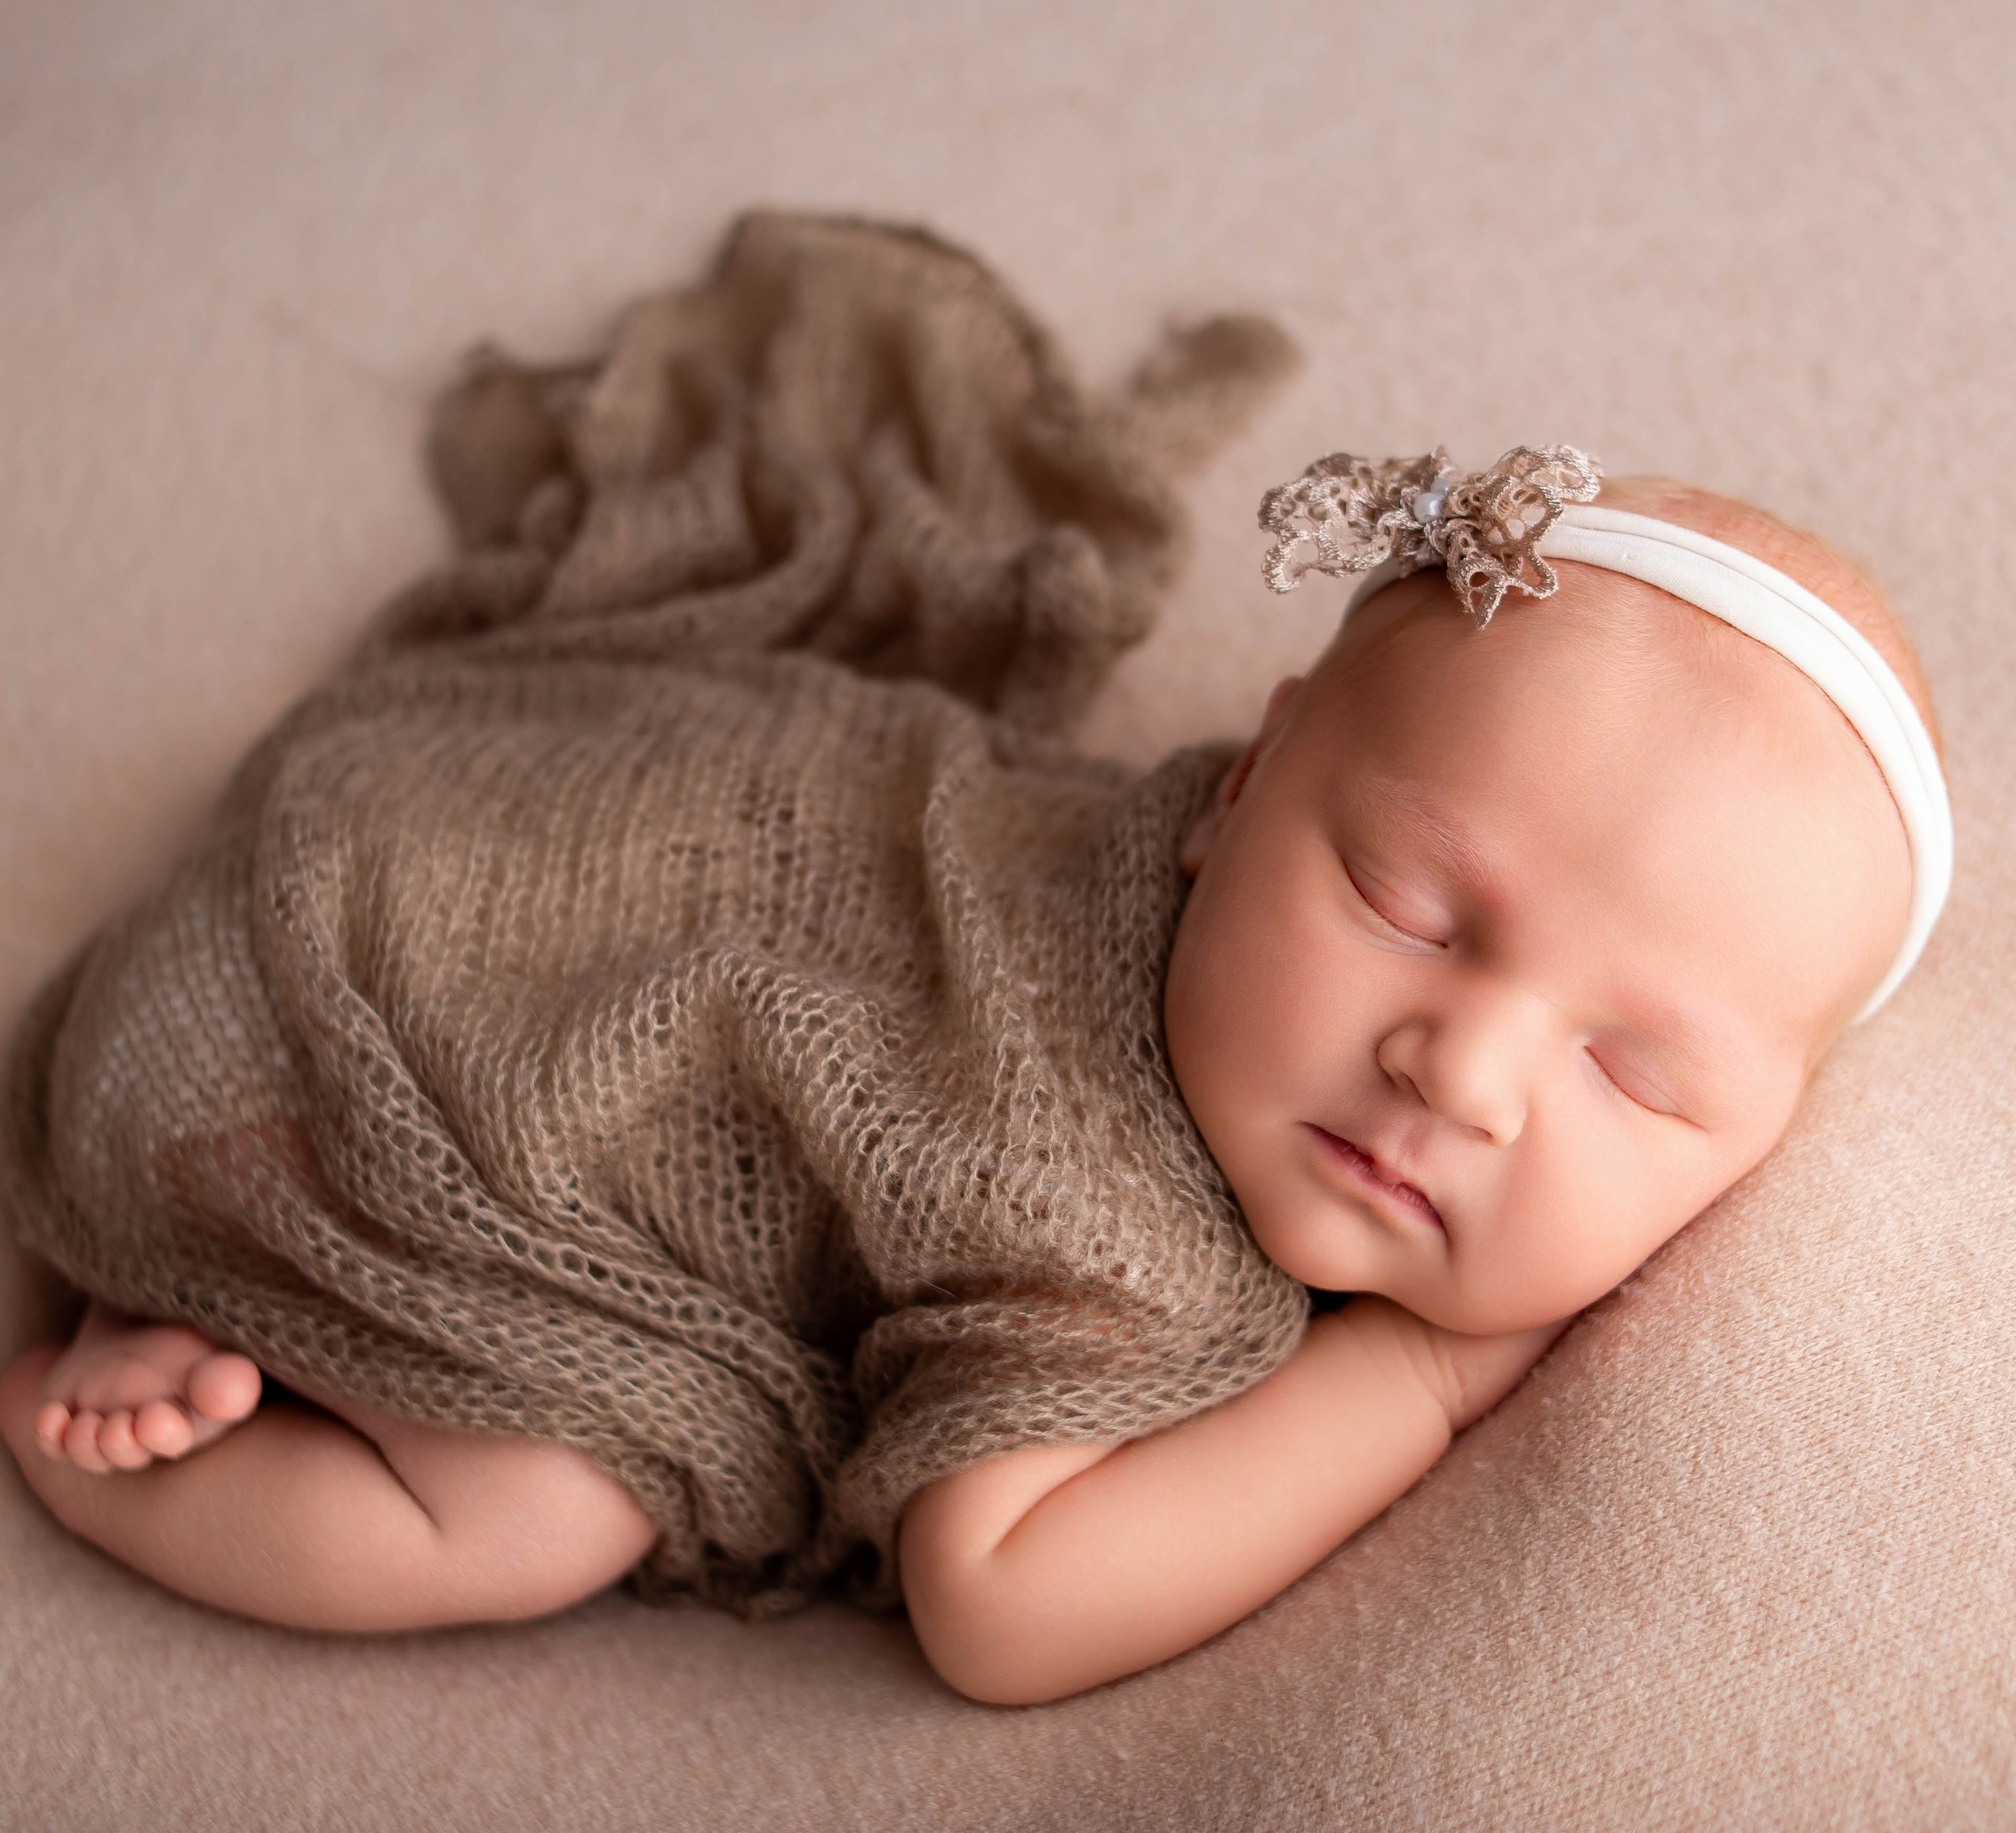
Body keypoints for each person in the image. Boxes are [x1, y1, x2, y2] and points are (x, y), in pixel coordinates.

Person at [0, 216, 1948, 1708]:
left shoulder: (1139, 864)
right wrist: (1421, 1386)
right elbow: (999, 1601)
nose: (1460, 1067)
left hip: (459, 802)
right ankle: (116, 1418)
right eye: (1410, 908)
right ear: (1238, 782)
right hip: (342, 1077)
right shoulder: (1097, 1216)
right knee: (524, 1508)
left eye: (1632, 1072)